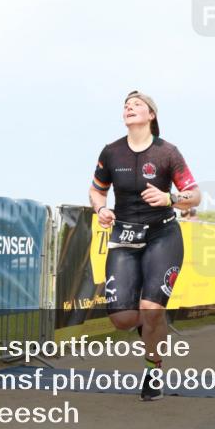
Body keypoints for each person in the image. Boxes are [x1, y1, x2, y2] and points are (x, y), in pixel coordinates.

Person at [88, 91, 201, 400]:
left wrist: (170, 198)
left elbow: (194, 195)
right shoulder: (111, 152)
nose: (129, 107)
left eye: (137, 104)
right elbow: (96, 191)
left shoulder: (167, 153)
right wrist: (101, 210)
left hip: (162, 235)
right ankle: (152, 320)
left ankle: (153, 369)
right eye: (126, 105)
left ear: (152, 115)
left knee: (150, 310)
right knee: (123, 319)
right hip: (124, 237)